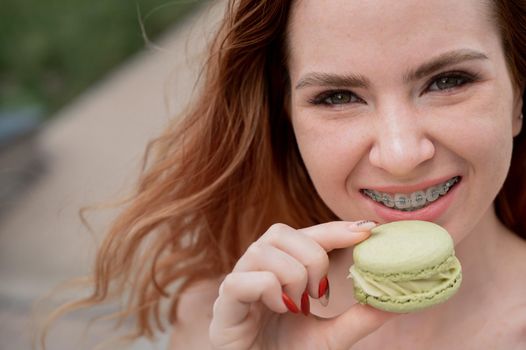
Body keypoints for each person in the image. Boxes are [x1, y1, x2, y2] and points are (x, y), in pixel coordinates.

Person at [42, 0, 526, 349]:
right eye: (338, 96)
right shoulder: (219, 315)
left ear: (518, 97)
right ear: (286, 117)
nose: (400, 154)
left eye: (449, 81)